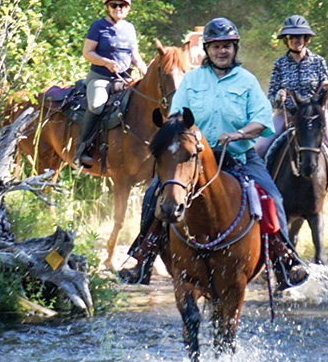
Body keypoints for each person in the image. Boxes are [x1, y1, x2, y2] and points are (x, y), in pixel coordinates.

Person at [119, 17, 308, 288]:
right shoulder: (192, 79)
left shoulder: (247, 81)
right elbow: (176, 118)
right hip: (193, 158)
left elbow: (262, 120)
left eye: (227, 46)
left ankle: (285, 260)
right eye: (216, 46)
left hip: (238, 156)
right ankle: (142, 257)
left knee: (271, 196)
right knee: (154, 194)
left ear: (235, 49)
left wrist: (239, 134)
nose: (222, 51)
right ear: (207, 50)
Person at [256, 14, 328, 230]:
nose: (296, 40)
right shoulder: (280, 64)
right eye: (292, 37)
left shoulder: (318, 62)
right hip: (288, 116)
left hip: (316, 118)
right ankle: (259, 199)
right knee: (260, 148)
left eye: (300, 37)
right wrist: (279, 95)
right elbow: (271, 95)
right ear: (286, 40)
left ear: (306, 39)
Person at [76, 0, 148, 167]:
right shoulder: (99, 26)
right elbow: (87, 52)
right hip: (100, 77)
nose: (118, 9)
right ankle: (83, 147)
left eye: (123, 5)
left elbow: (134, 54)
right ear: (107, 7)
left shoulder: (130, 29)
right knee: (97, 105)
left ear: (128, 8)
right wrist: (105, 62)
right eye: (114, 5)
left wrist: (141, 66)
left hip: (123, 79)